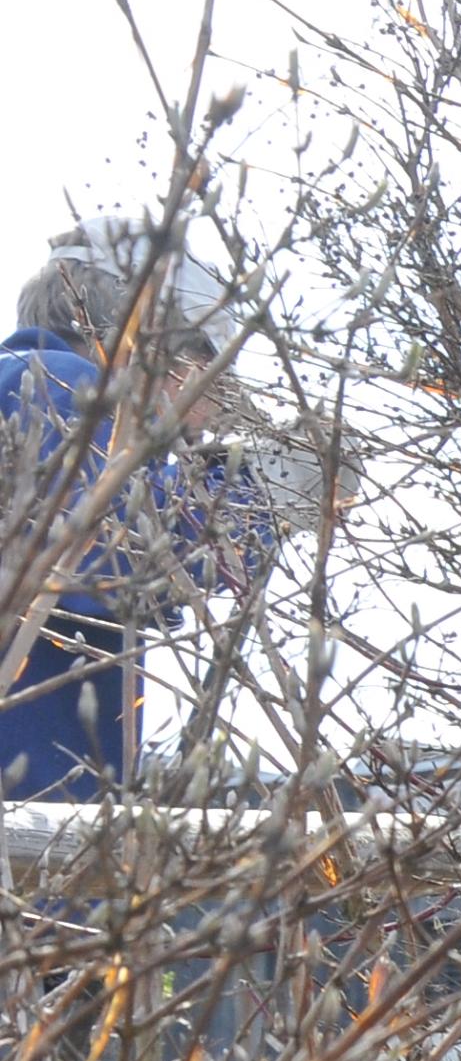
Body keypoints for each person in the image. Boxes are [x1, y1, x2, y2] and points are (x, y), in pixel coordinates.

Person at [0, 218, 280, 800]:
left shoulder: (24, 385)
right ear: (151, 342)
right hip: (28, 807)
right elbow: (125, 551)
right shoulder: (60, 387)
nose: (211, 410)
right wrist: (262, 492)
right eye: (209, 373)